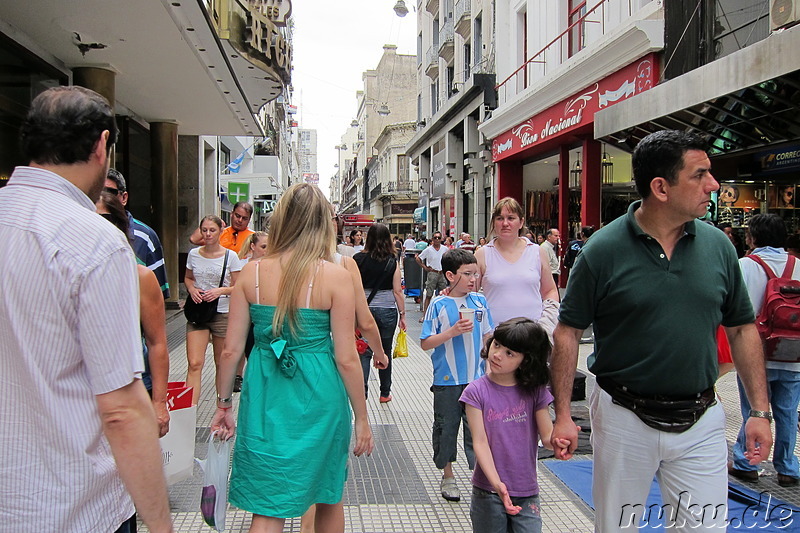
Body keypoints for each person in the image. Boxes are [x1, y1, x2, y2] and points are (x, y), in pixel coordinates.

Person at [550, 130, 772, 531]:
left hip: (702, 418)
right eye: (699, 174)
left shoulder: (719, 247)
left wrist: (759, 411)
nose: (713, 185)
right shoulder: (602, 250)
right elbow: (567, 332)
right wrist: (563, 415)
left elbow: (741, 329)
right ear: (661, 187)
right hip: (622, 416)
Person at [0, 86, 172, 532]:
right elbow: (120, 408)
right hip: (72, 506)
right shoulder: (94, 241)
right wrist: (161, 524)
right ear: (101, 146)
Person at [211, 183, 374, 533]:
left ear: (282, 221)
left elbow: (230, 349)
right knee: (328, 495)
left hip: (265, 394)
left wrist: (224, 405)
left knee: (267, 506)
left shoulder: (251, 273)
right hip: (321, 394)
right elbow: (347, 357)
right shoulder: (337, 276)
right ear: (322, 223)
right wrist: (362, 417)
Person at [461, 318, 569, 533]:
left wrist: (559, 442)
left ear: (526, 360)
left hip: (526, 489)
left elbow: (546, 437)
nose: (497, 354)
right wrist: (496, 484)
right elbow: (480, 443)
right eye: (497, 344)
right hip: (488, 490)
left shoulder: (535, 391)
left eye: (510, 353)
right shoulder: (475, 392)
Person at [730, 214, 800, 487]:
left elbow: (733, 310)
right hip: (793, 354)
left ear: (752, 238)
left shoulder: (745, 266)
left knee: (754, 409)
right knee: (787, 411)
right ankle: (788, 468)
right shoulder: (798, 266)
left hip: (755, 354)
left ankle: (747, 462)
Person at [420, 249, 494, 502]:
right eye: (467, 274)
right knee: (446, 426)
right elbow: (426, 342)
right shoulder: (438, 305)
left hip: (477, 379)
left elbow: (488, 335)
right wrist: (451, 332)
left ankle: (481, 476)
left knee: (478, 429)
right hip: (447, 380)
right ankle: (448, 475)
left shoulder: (480, 302)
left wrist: (491, 368)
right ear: (450, 276)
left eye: (476, 274)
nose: (474, 279)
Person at [97, 191, 170, 437]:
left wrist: (160, 402)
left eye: (106, 220)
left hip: (132, 385)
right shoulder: (63, 272)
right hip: (77, 393)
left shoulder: (140, 276)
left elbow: (157, 341)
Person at [475, 198, 560, 338]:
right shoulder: (482, 254)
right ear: (494, 223)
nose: (505, 223)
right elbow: (469, 293)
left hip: (532, 337)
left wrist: (546, 323)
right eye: (499, 218)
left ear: (521, 222)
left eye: (511, 218)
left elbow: (550, 291)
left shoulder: (537, 252)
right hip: (494, 338)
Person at [184, 215, 242, 405]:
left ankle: (222, 407)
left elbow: (239, 286)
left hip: (222, 313)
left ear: (220, 232)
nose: (208, 234)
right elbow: (188, 278)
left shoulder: (230, 256)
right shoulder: (193, 254)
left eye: (212, 230)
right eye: (204, 230)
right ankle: (188, 410)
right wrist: (192, 289)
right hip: (199, 312)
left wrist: (220, 291)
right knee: (194, 363)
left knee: (221, 363)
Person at [354, 223, 406, 402]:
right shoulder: (392, 260)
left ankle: (362, 392)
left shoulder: (357, 259)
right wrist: (403, 314)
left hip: (363, 310)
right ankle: (385, 393)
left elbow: (352, 287)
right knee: (384, 350)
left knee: (363, 351)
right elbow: (397, 290)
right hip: (387, 311)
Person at [106, 168, 170, 298]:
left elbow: (157, 295)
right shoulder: (80, 232)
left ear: (124, 197)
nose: (102, 198)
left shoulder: (144, 236)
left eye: (109, 192)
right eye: (96, 192)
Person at [190, 201, 255, 254]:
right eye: (237, 216)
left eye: (244, 218)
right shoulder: (219, 233)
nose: (240, 220)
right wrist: (211, 222)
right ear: (231, 214)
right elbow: (194, 239)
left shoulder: (254, 237)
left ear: (249, 219)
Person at [416, 231, 449, 322]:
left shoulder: (445, 249)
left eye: (439, 238)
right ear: (432, 239)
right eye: (435, 238)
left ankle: (443, 315)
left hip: (442, 273)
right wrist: (425, 267)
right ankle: (425, 315)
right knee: (429, 295)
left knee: (444, 295)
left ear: (441, 239)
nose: (437, 239)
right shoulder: (428, 249)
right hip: (433, 273)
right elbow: (418, 258)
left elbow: (449, 258)